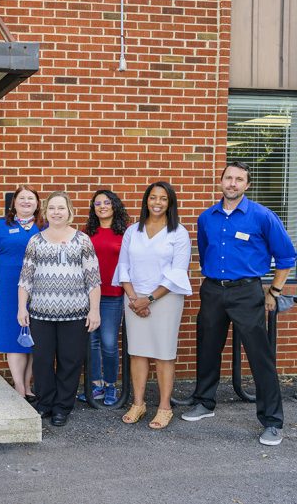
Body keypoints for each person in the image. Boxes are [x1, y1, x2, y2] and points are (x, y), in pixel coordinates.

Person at [181, 162, 296, 446]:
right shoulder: (207, 217)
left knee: (259, 356)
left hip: (247, 292)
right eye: (228, 178)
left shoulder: (262, 216)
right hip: (213, 290)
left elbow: (286, 256)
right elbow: (206, 251)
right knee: (207, 348)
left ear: (247, 185)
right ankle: (204, 402)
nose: (232, 183)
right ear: (221, 181)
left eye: (239, 179)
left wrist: (274, 291)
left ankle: (272, 421)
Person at [18, 191, 101, 427]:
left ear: (69, 212)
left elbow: (93, 279)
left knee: (70, 361)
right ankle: (45, 403)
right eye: (52, 208)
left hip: (75, 314)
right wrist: (22, 308)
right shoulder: (36, 241)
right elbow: (26, 278)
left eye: (61, 208)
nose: (56, 212)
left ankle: (62, 407)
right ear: (45, 212)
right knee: (42, 361)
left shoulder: (82, 240)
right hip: (40, 314)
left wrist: (94, 310)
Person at [114, 181, 191, 430]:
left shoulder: (178, 232)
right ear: (146, 200)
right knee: (137, 352)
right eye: (153, 197)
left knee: (163, 353)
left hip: (165, 299)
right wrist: (134, 298)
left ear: (170, 203)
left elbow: (177, 272)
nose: (157, 203)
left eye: (163, 198)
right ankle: (138, 403)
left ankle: (165, 407)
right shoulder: (132, 231)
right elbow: (123, 266)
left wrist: (148, 299)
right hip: (133, 298)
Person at [0, 185, 42, 402]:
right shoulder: (0, 226)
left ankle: (28, 384)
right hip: (6, 291)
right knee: (13, 336)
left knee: (34, 338)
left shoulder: (43, 227)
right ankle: (19, 386)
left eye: (31, 198)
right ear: (14, 202)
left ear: (37, 204)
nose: (26, 202)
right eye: (22, 198)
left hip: (38, 290)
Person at [78, 190, 130, 406]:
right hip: (88, 295)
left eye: (106, 202)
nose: (102, 206)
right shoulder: (86, 232)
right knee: (91, 343)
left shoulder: (125, 232)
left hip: (112, 295)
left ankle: (110, 385)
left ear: (114, 205)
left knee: (109, 343)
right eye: (97, 203)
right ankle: (95, 385)